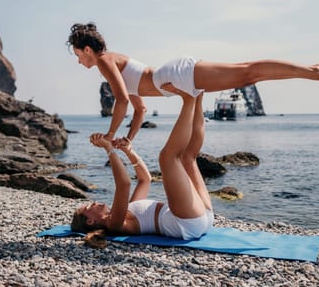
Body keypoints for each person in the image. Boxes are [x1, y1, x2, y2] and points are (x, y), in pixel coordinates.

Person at [67, 22, 319, 142]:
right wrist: (127, 139)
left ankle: (314, 70)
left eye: (78, 55)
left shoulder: (105, 61)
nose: (79, 61)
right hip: (177, 82)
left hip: (175, 75)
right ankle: (312, 72)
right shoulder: (112, 61)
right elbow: (138, 109)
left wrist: (109, 134)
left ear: (87, 49)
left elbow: (123, 101)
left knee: (248, 71)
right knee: (250, 75)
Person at [71, 85, 213, 240]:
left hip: (198, 217)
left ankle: (197, 96)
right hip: (185, 222)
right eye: (89, 207)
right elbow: (124, 184)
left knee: (188, 159)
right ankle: (188, 99)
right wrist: (109, 149)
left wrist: (128, 151)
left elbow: (145, 179)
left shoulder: (129, 210)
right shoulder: (114, 224)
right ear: (91, 221)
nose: (94, 202)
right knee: (168, 157)